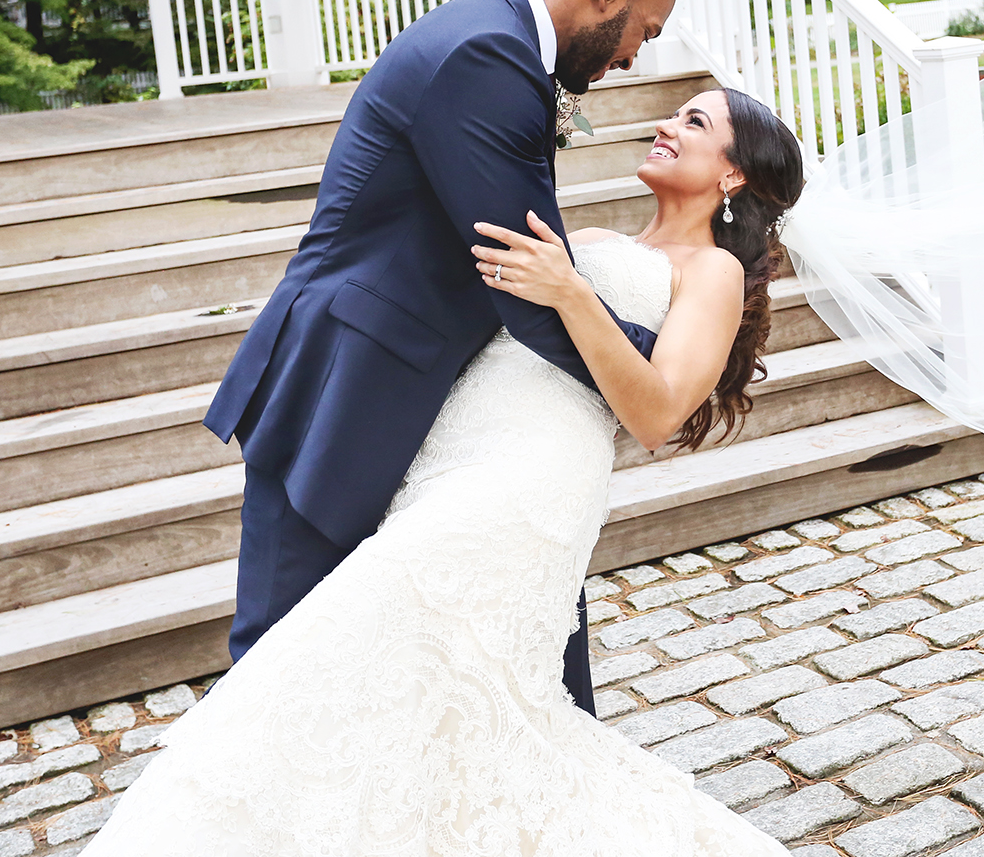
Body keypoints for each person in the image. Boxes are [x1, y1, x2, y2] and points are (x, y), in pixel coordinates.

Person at [84, 84, 806, 854]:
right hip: (451, 453)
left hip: (531, 478)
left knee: (354, 643)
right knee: (435, 699)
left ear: (733, 175)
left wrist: (569, 291)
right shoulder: (590, 236)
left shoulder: (713, 273)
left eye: (694, 122)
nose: (666, 123)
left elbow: (659, 411)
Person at [202, 0, 677, 713]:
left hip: (416, 389)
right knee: (278, 666)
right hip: (342, 391)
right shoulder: (486, 56)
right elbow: (527, 280)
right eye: (647, 29)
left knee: (507, 631)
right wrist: (656, 374)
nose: (635, 57)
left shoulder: (495, 40)